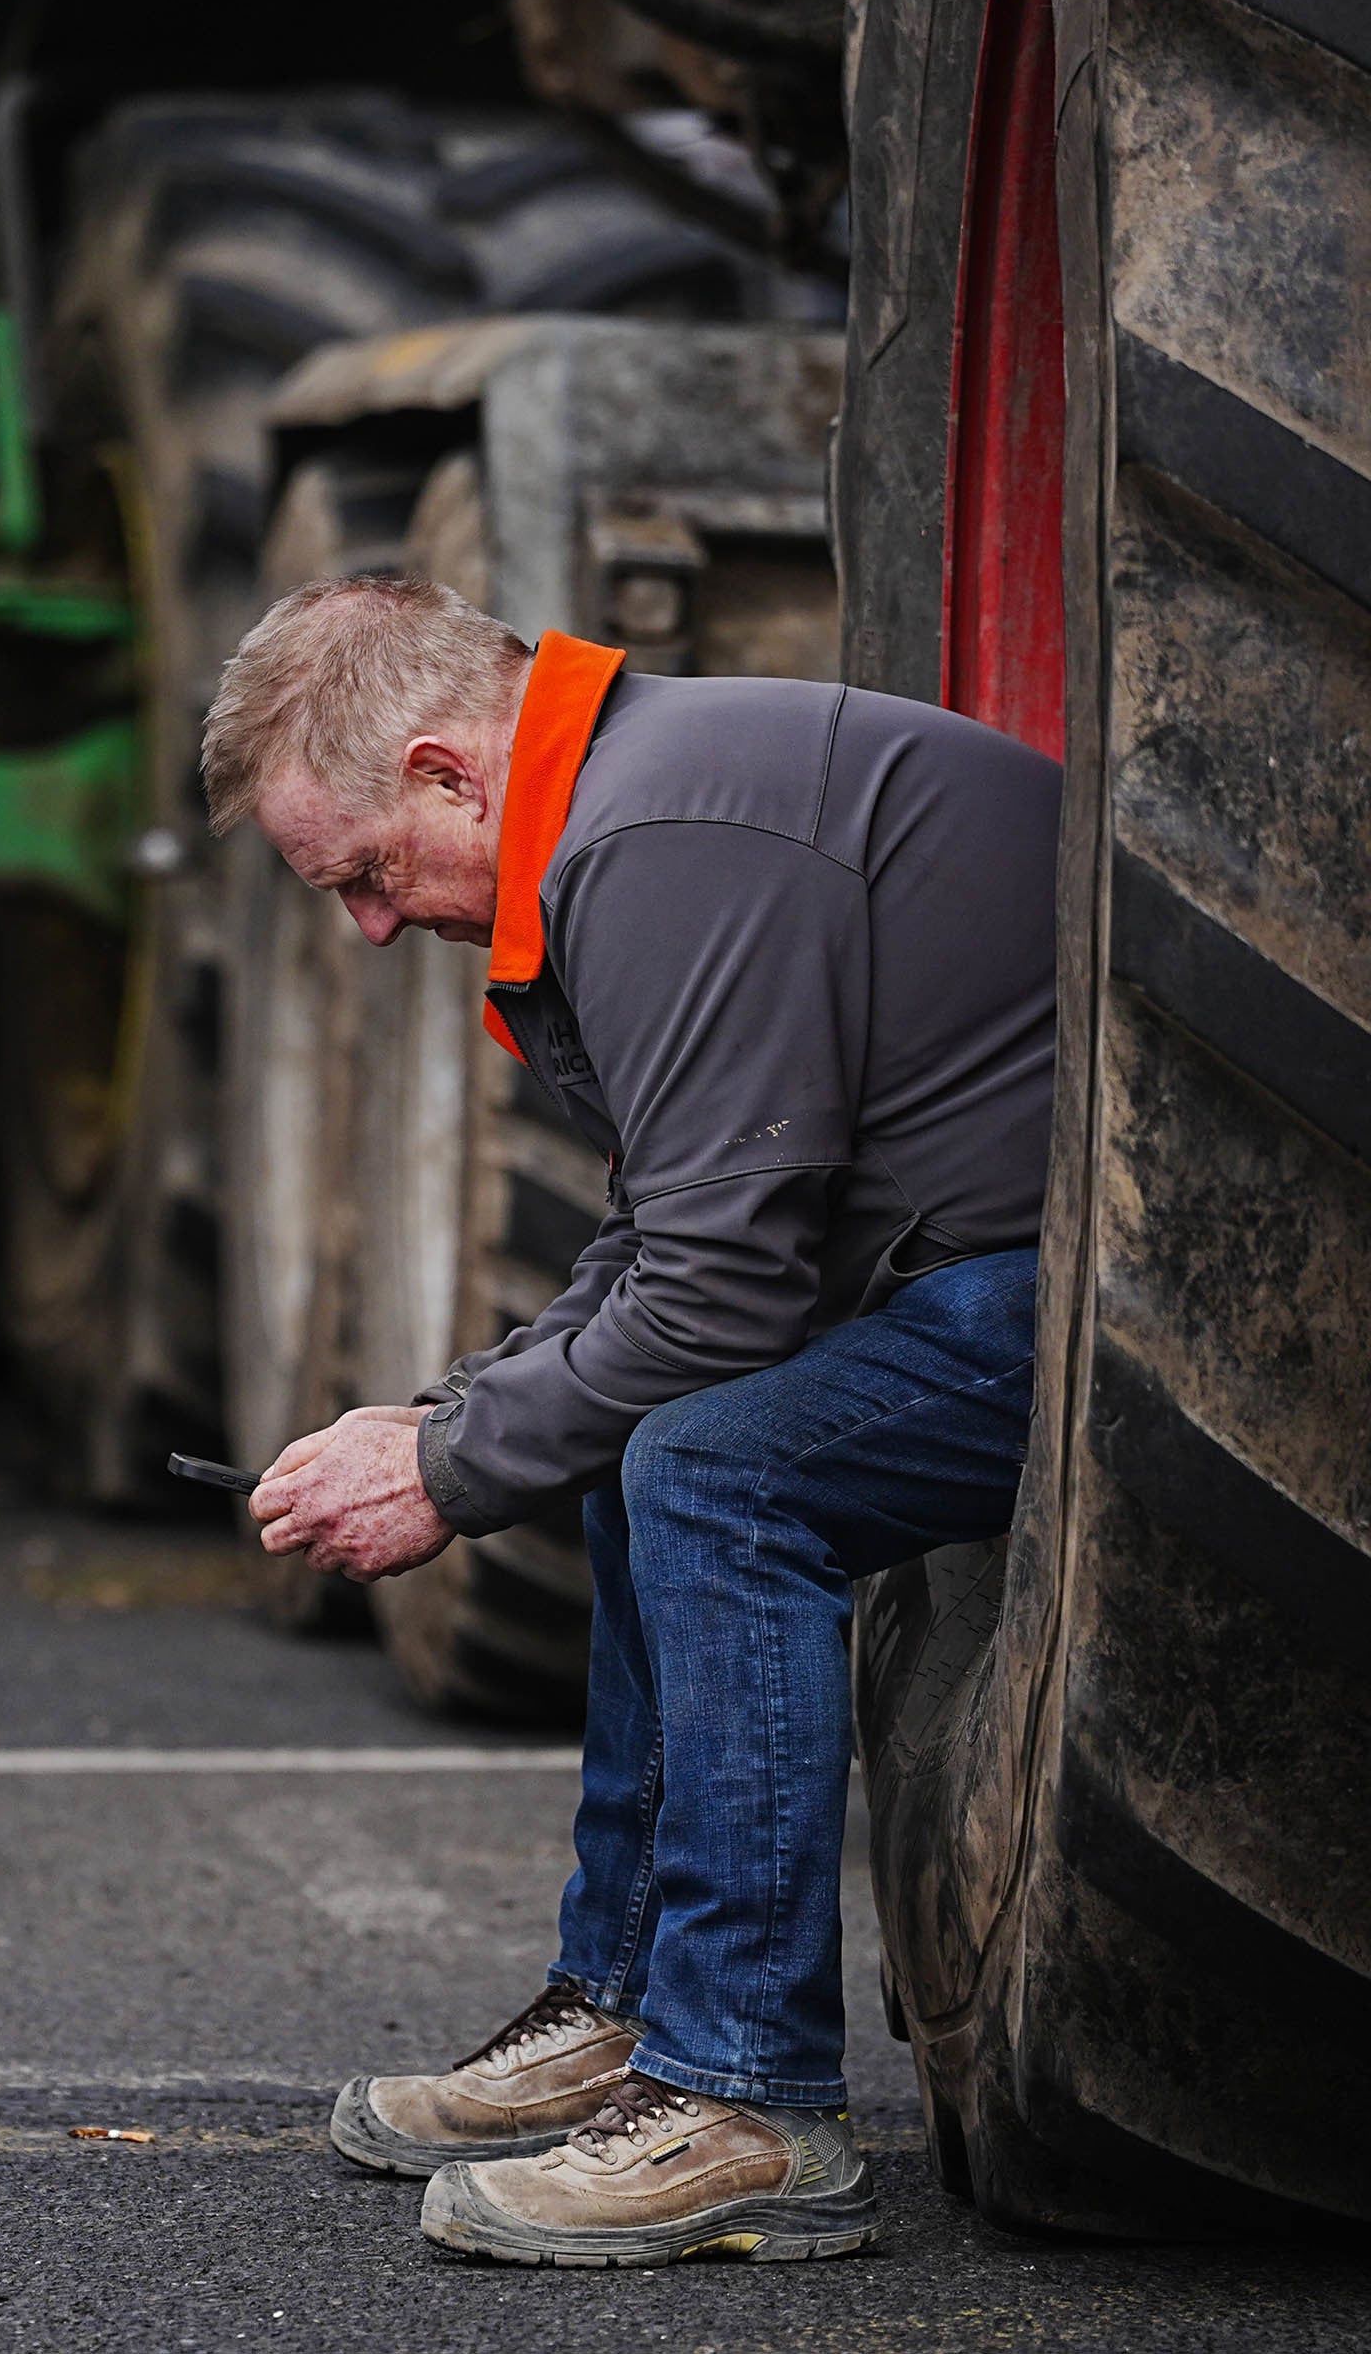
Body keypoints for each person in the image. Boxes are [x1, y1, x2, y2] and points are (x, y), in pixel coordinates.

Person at [202, 575, 1062, 2266]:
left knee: (713, 1473)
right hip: (995, 1266)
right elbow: (679, 1248)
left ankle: (745, 2098)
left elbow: (723, 1298)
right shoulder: (639, 803)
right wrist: (462, 1414)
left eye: (368, 875)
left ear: (452, 777)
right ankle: (630, 2005)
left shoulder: (651, 843)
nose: (371, 928)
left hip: (1097, 1290)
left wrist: (446, 1469)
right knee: (642, 1440)